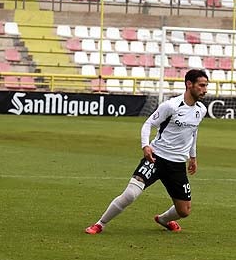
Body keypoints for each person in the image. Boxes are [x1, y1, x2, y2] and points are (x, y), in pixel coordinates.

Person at [84, 69, 209, 235]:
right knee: (130, 194)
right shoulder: (171, 106)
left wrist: (193, 157)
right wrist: (145, 146)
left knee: (184, 211)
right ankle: (100, 224)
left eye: (206, 86)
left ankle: (163, 219)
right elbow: (148, 124)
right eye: (201, 85)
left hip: (177, 164)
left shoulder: (201, 110)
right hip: (156, 158)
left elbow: (193, 133)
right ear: (189, 84)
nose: (205, 90)